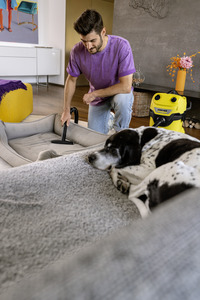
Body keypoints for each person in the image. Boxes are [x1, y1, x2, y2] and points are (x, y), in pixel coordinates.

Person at [61, 9, 135, 134]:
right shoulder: (76, 51)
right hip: (99, 99)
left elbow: (126, 87)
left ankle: (120, 132)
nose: (88, 46)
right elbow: (71, 80)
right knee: (94, 137)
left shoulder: (122, 46)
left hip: (118, 93)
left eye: (92, 41)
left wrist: (94, 94)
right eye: (84, 41)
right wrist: (66, 110)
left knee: (122, 100)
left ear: (103, 32)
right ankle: (109, 119)